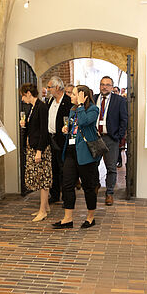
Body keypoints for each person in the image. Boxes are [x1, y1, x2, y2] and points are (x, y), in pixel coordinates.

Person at [54, 84, 101, 229]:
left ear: (82, 96)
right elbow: (75, 128)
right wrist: (66, 129)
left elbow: (84, 122)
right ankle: (67, 219)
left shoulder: (93, 109)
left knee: (88, 186)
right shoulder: (72, 110)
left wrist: (81, 105)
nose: (71, 96)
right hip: (70, 152)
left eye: (74, 94)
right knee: (67, 185)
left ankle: (90, 217)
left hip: (86, 154)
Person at [19, 82, 52, 221]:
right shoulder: (33, 108)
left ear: (28, 93)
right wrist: (24, 125)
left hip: (41, 148)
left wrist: (39, 151)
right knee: (39, 178)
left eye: (22, 96)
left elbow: (44, 131)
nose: (22, 99)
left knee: (43, 179)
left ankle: (43, 210)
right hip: (34, 146)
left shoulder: (41, 107)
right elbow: (34, 129)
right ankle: (46, 207)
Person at [94, 76, 128, 205]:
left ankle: (109, 193)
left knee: (111, 168)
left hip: (110, 138)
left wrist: (118, 136)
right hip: (95, 138)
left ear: (112, 87)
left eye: (107, 85)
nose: (104, 87)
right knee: (93, 165)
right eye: (102, 84)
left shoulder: (118, 100)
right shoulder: (94, 98)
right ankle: (95, 186)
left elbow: (124, 120)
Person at [45, 76, 72, 204]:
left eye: (50, 87)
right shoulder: (50, 101)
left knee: (64, 170)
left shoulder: (68, 102)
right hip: (51, 139)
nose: (48, 89)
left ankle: (67, 197)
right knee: (53, 169)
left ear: (57, 87)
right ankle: (54, 195)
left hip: (62, 140)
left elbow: (70, 121)